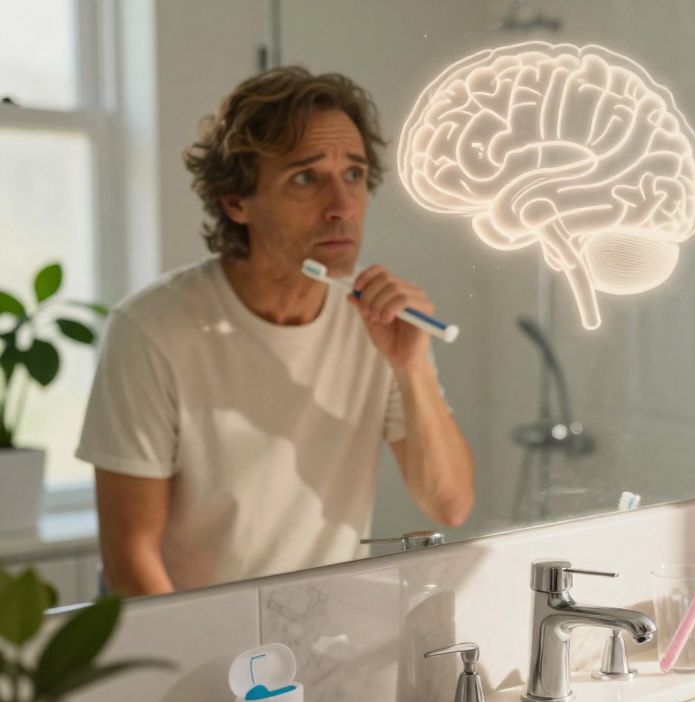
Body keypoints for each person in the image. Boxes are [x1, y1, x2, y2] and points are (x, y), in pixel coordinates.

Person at [77, 67, 475, 596]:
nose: (341, 206)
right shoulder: (151, 330)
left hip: (325, 641)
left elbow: (449, 503)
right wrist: (210, 671)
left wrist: (412, 366)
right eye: (306, 178)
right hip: (195, 648)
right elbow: (131, 557)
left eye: (354, 174)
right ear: (236, 202)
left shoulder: (377, 324)